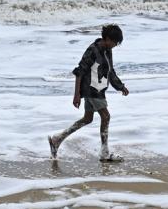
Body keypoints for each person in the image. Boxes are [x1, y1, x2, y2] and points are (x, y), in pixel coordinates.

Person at [48, 24, 129, 161]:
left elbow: (110, 71)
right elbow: (79, 72)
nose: (115, 45)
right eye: (114, 42)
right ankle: (104, 153)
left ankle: (57, 139)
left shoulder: (107, 50)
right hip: (92, 90)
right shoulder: (92, 50)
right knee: (106, 116)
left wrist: (120, 86)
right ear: (107, 38)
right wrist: (77, 95)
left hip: (99, 89)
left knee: (87, 119)